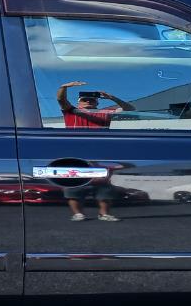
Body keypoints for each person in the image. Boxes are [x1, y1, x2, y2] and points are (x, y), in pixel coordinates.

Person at [55, 81, 135, 221]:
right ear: (79, 103)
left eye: (91, 100)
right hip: (77, 155)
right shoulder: (71, 111)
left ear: (97, 103)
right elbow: (61, 99)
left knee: (104, 187)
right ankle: (78, 214)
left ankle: (104, 214)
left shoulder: (105, 113)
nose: (88, 101)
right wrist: (64, 87)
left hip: (101, 155)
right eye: (84, 100)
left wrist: (112, 98)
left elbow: (130, 109)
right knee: (74, 188)